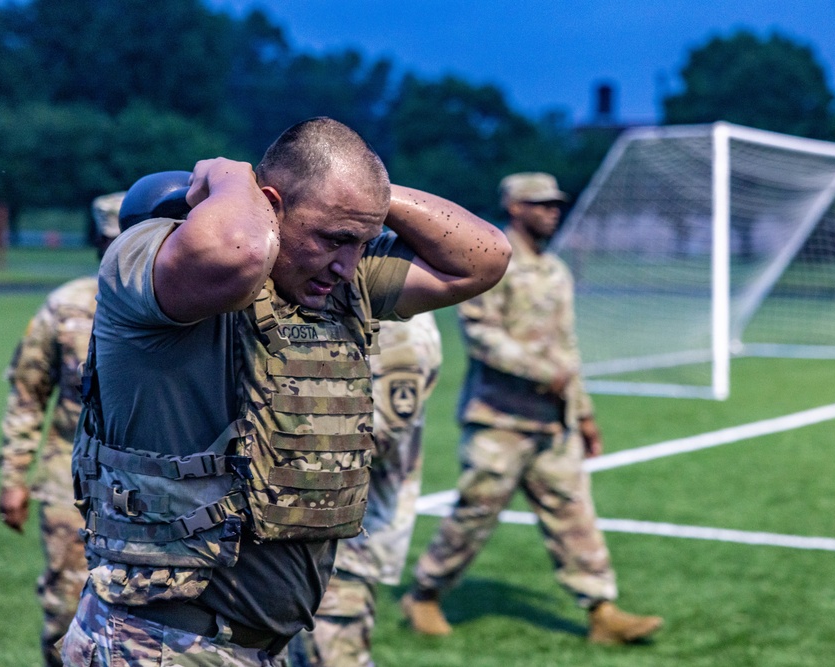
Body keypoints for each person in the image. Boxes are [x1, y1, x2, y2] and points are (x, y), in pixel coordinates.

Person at [61, 117, 511, 667]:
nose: (347, 266)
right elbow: (238, 252)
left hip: (252, 648)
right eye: (335, 239)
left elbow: (484, 259)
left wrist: (363, 196)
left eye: (361, 242)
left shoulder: (334, 282)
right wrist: (232, 176)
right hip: (160, 644)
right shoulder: (148, 260)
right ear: (270, 205)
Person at [401, 172, 664, 645]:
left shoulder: (556, 271)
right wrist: (542, 372)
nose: (552, 211)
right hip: (499, 420)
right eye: (541, 204)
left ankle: (601, 611)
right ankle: (424, 593)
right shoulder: (491, 263)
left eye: (556, 204)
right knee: (474, 515)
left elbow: (569, 349)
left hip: (553, 422)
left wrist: (582, 413)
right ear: (515, 208)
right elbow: (481, 336)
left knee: (574, 515)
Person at [0, 191, 125, 667]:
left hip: (149, 487)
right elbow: (28, 393)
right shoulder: (66, 306)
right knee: (66, 613)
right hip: (69, 481)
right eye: (112, 241)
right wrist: (13, 478)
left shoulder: (173, 309)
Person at [290, 312, 442, 667]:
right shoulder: (350, 307)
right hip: (307, 526)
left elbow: (379, 435)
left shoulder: (398, 327)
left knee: (332, 655)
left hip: (348, 538)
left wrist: (276, 449)